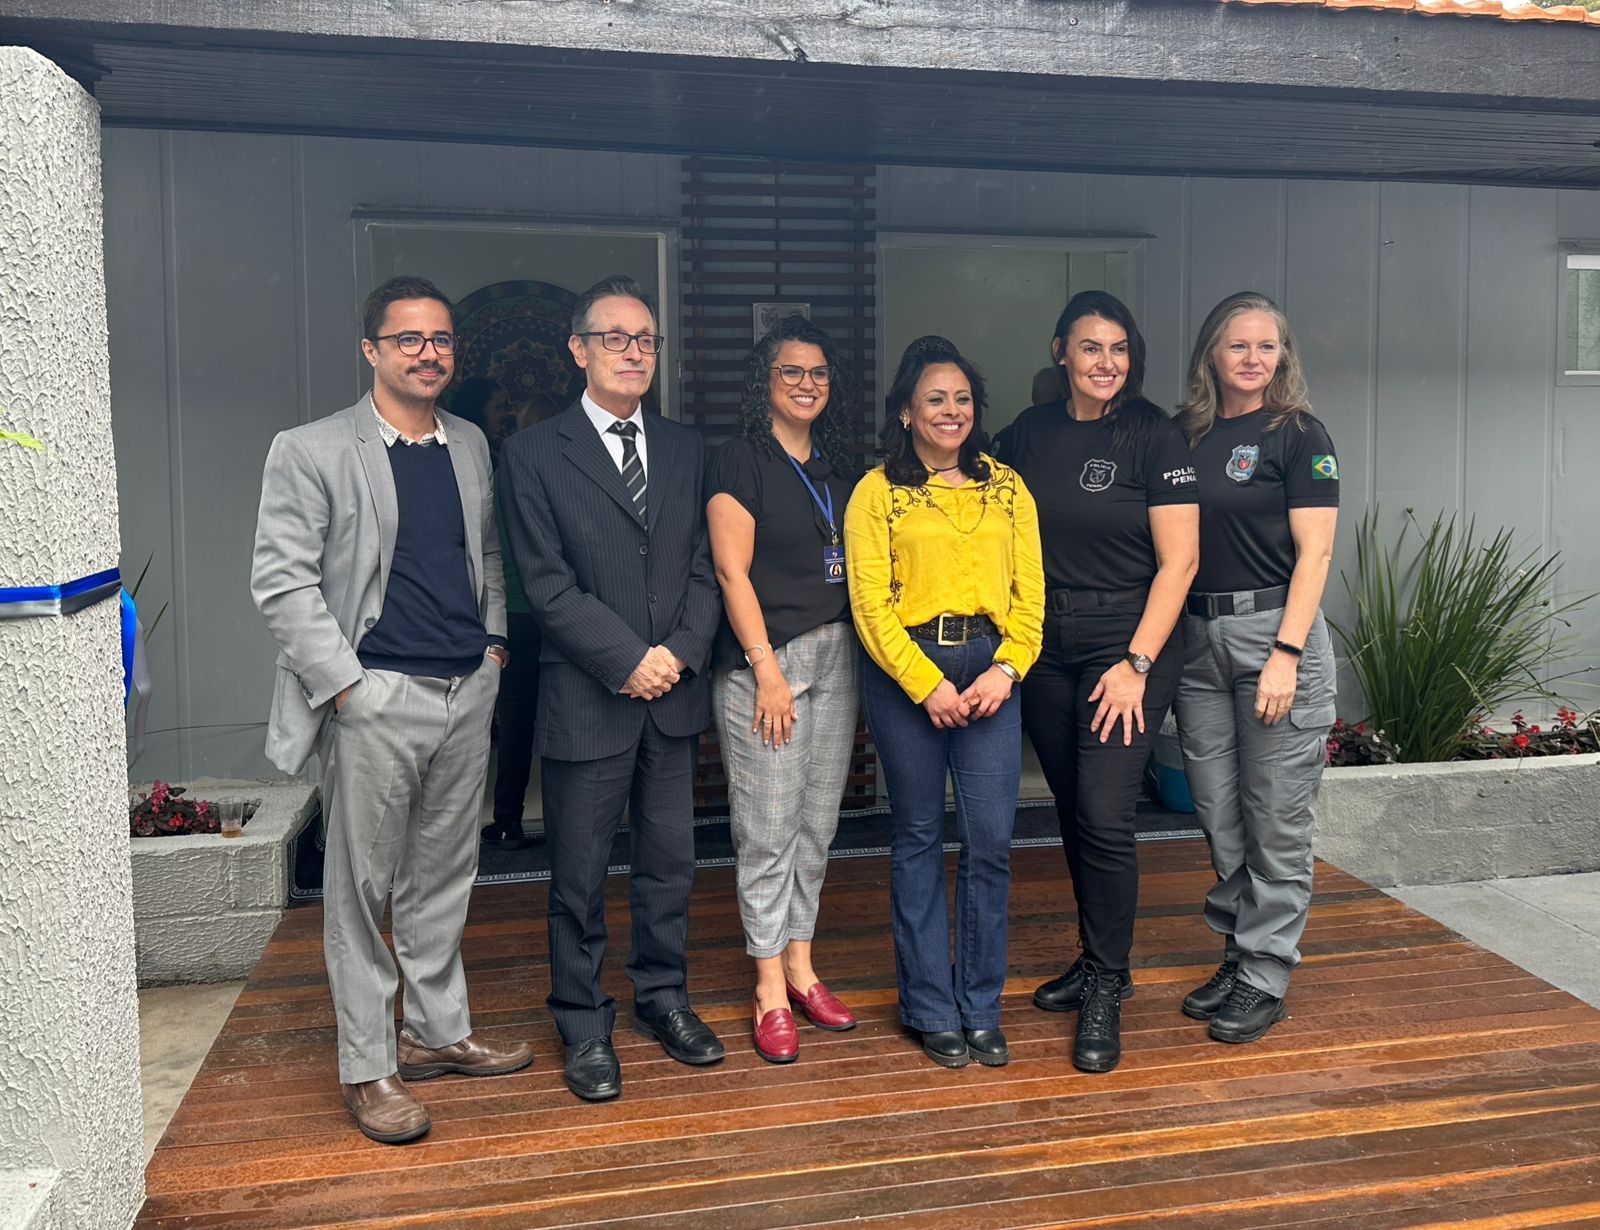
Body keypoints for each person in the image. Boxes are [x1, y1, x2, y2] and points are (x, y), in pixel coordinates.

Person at [251, 276, 533, 1145]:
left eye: (440, 339)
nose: (427, 353)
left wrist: (493, 647)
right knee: (359, 892)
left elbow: (486, 553)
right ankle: (368, 1066)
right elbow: (283, 583)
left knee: (443, 877)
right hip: (376, 695)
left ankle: (436, 1033)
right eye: (408, 339)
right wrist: (348, 687)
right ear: (371, 349)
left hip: (464, 690)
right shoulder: (311, 449)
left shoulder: (470, 443)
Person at [498, 275, 724, 1102]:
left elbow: (705, 565)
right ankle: (583, 1021)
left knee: (670, 866)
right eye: (616, 338)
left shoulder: (687, 448)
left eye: (646, 340)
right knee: (579, 876)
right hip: (589, 694)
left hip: (673, 697)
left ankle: (664, 997)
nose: (635, 352)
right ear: (578, 349)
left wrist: (682, 653)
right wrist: (629, 657)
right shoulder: (532, 454)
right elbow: (546, 584)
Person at [998, 291, 1199, 1074]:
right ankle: (1094, 957)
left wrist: (1137, 664)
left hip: (1129, 642)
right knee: (1074, 810)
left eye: (1119, 348)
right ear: (1061, 352)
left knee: (1106, 813)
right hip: (1047, 644)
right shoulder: (1029, 432)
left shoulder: (1156, 434)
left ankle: (1110, 981)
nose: (1106, 362)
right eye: (1090, 347)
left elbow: (1180, 562)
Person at [845, 336, 1044, 1070]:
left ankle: (980, 1004)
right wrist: (923, 682)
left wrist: (1007, 669)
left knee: (989, 840)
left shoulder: (1007, 488)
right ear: (906, 411)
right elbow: (869, 604)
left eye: (962, 398)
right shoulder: (877, 492)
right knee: (919, 837)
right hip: (908, 670)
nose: (951, 410)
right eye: (935, 398)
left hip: (991, 670)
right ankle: (930, 1007)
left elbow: (1031, 595)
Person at [1173, 291, 1340, 1044]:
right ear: (1211, 354)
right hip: (1197, 643)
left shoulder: (1298, 435)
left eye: (1266, 346)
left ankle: (1266, 974)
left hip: (1274, 635)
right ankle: (1241, 951)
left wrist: (1286, 655)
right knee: (1219, 813)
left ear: (1283, 356)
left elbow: (1317, 554)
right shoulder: (1187, 434)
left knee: (1276, 819)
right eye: (1237, 345)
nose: (1252, 358)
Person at [705, 315, 861, 1064]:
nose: (807, 383)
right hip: (768, 665)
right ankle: (768, 986)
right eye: (791, 371)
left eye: (818, 372)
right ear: (764, 381)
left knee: (816, 826)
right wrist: (765, 669)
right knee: (767, 831)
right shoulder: (741, 459)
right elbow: (730, 571)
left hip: (838, 658)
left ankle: (802, 965)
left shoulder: (836, 467)